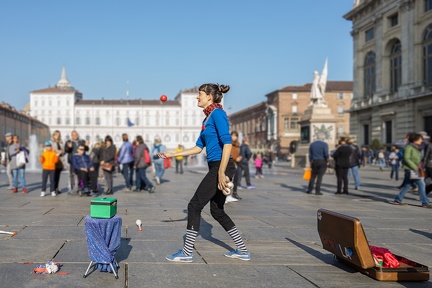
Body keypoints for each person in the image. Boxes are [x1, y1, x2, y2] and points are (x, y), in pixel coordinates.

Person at [158, 83, 250, 262]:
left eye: (199, 94)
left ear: (210, 96)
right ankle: (243, 250)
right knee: (217, 211)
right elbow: (198, 148)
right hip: (217, 167)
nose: (196, 97)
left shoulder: (218, 114)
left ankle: (186, 253)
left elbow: (228, 144)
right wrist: (172, 153)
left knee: (194, 206)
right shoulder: (206, 120)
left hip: (221, 166)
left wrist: (221, 172)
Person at [392, 133, 431, 208]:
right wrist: (415, 167)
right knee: (422, 184)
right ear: (415, 139)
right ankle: (425, 203)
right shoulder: (408, 147)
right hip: (411, 169)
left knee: (407, 185)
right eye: (420, 139)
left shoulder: (417, 147)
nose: (421, 140)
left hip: (415, 168)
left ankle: (397, 200)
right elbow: (406, 159)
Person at [65, 130, 88, 194]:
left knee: (80, 175)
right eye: (73, 134)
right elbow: (66, 150)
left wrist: (86, 146)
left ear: (78, 134)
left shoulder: (82, 141)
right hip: (72, 161)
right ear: (71, 135)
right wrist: (69, 147)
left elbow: (86, 149)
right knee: (72, 174)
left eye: (76, 134)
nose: (75, 135)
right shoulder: (69, 142)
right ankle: (71, 188)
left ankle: (80, 187)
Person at [51, 130, 66, 194]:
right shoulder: (51, 142)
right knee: (53, 175)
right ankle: (53, 189)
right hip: (53, 160)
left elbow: (64, 150)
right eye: (56, 134)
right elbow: (50, 150)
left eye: (58, 135)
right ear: (53, 135)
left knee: (58, 175)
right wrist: (57, 152)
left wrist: (62, 152)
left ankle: (56, 188)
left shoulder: (61, 142)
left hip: (60, 160)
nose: (57, 136)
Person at [230, 131, 242, 200]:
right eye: (233, 136)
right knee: (229, 180)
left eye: (235, 136)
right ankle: (227, 195)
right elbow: (229, 154)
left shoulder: (237, 145)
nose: (234, 137)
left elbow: (238, 153)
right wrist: (235, 158)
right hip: (231, 163)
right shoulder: (229, 144)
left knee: (236, 179)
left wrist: (239, 157)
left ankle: (234, 193)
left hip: (236, 164)